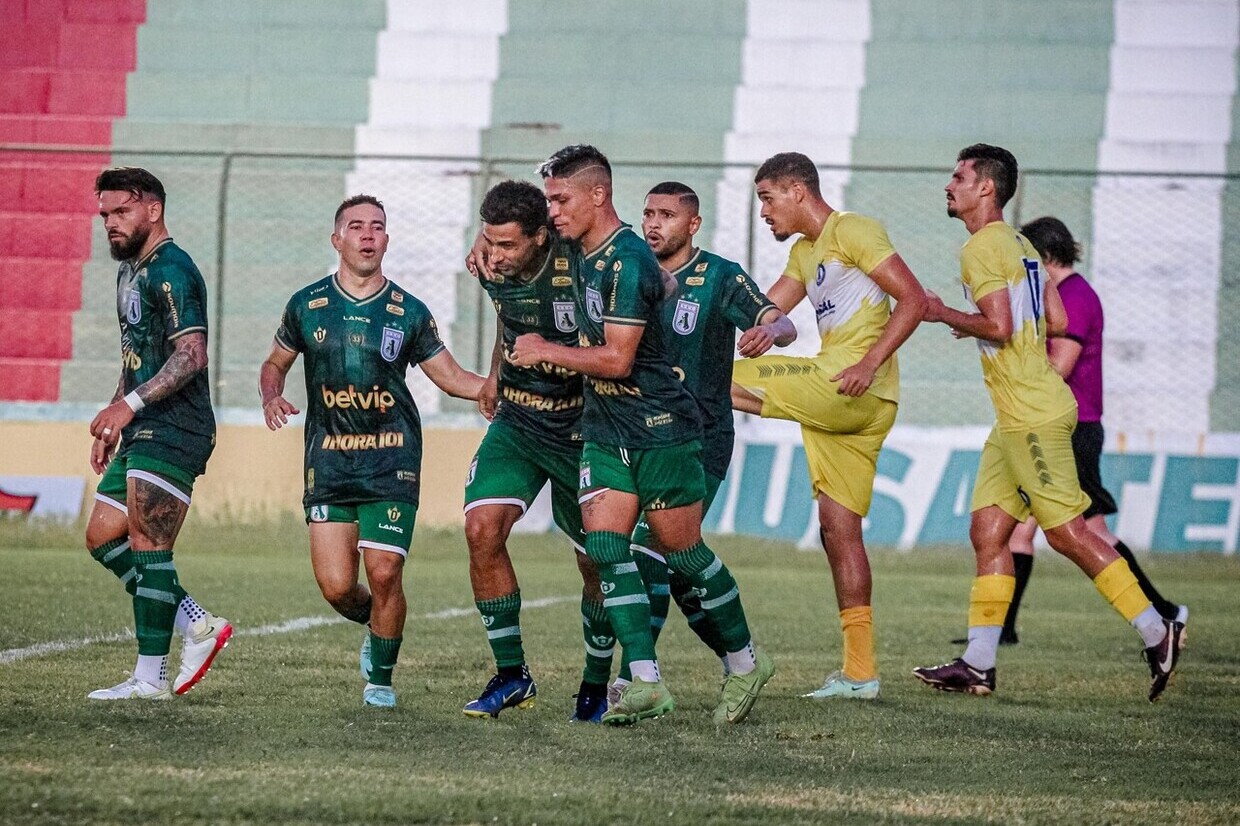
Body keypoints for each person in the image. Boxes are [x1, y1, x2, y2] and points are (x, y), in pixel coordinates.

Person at [511, 144, 775, 725]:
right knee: (605, 546)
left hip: (662, 428)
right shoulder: (586, 247)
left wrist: (543, 349)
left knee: (682, 554)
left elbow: (618, 360)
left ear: (597, 195)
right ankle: (647, 681)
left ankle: (745, 662)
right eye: (549, 200)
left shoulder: (627, 257)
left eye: (560, 200)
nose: (551, 212)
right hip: (606, 428)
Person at [916, 144, 1183, 702]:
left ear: (985, 188)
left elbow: (1001, 325)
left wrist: (942, 312)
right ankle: (979, 663)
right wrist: (987, 324)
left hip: (1032, 414)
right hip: (1016, 415)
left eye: (959, 176)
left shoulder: (984, 246)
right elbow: (1054, 317)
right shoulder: (1018, 244)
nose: (950, 184)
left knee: (1066, 533)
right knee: (988, 532)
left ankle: (1158, 631)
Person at [260, 194, 484, 708]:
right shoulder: (307, 304)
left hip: (392, 458)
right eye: (356, 226)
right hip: (329, 460)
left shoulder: (408, 311)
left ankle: (380, 680)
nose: (367, 235)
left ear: (387, 240)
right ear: (336, 239)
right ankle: (380, 622)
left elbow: (450, 378)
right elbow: (274, 362)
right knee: (338, 587)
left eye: (377, 227)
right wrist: (272, 394)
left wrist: (494, 387)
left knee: (384, 572)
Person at [730, 152, 928, 700]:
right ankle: (860, 674)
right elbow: (770, 309)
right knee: (838, 531)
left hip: (850, 382)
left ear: (797, 190)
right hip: (851, 404)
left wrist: (867, 363)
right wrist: (769, 330)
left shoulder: (854, 230)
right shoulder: (804, 252)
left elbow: (913, 300)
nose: (764, 212)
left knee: (706, 377)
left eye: (768, 199)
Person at [610, 181, 796, 699]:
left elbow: (780, 322)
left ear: (692, 225)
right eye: (647, 213)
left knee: (651, 551)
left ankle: (633, 679)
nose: (652, 224)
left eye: (666, 215)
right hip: (633, 434)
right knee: (669, 568)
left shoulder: (718, 276)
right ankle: (740, 661)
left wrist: (770, 332)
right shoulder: (626, 271)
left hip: (699, 439)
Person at [458, 179, 616, 723]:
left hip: (581, 429)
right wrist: (496, 374)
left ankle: (595, 684)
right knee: (481, 529)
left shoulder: (583, 265)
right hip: (520, 421)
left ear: (542, 236)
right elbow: (510, 314)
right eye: (489, 242)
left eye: (508, 245)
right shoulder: (489, 264)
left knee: (595, 562)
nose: (496, 256)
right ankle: (511, 674)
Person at [995, 216, 1187, 645]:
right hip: (1055, 424)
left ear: (1044, 256)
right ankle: (1002, 630)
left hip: (1072, 426)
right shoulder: (1066, 293)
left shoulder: (1075, 296)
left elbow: (1061, 365)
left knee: (1089, 532)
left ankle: (1163, 614)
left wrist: (1016, 375)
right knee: (1021, 528)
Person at [85, 166, 232, 701]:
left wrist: (130, 405)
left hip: (177, 426)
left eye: (120, 211)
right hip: (142, 422)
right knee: (103, 536)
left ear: (153, 208)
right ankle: (196, 624)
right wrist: (113, 413)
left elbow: (191, 354)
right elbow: (136, 353)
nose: (110, 223)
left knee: (149, 541)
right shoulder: (129, 271)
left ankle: (150, 677)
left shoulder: (174, 269)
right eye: (104, 214)